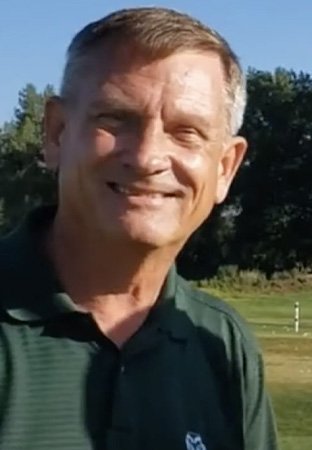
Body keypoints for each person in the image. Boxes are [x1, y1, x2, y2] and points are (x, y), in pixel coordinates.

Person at [0, 7, 279, 450]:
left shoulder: (223, 344)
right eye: (115, 119)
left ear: (225, 167)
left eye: (186, 132)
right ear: (56, 134)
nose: (148, 157)